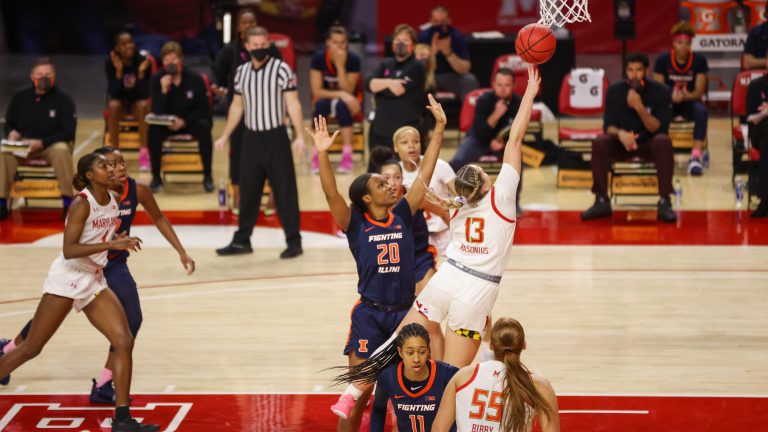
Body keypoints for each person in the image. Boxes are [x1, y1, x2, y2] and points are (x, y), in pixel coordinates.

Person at [329, 68, 535, 425]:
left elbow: (423, 194)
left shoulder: (455, 207)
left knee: (397, 339)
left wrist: (411, 174)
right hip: (477, 288)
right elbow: (515, 139)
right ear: (487, 183)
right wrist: (530, 91)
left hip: (448, 277)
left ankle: (351, 393)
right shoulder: (502, 198)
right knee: (449, 377)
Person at [0, 146, 196, 402]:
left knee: (128, 329)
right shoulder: (85, 201)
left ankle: (110, 394)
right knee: (37, 339)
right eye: (109, 164)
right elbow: (71, 248)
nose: (117, 168)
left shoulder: (123, 195)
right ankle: (9, 349)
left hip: (105, 269)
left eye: (120, 163)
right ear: (92, 174)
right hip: (74, 271)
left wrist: (179, 251)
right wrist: (112, 242)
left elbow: (151, 219)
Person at [309, 94, 446, 428]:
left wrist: (440, 128)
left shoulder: (403, 213)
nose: (390, 185)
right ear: (368, 198)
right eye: (381, 184)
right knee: (357, 396)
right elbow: (331, 193)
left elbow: (425, 173)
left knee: (407, 398)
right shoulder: (356, 223)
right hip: (369, 315)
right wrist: (323, 153)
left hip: (403, 313)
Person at [214, 26, 305, 259]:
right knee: (248, 190)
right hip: (251, 138)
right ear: (247, 46)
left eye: (263, 45)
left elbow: (293, 103)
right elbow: (237, 106)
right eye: (255, 45)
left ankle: (294, 241)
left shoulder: (281, 69)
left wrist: (299, 135)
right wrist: (225, 135)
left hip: (276, 137)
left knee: (284, 190)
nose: (260, 48)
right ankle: (242, 240)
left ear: (269, 45)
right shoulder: (241, 72)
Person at [581, 52, 676, 223]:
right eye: (630, 70)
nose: (634, 74)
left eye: (638, 70)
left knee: (663, 141)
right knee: (600, 142)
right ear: (625, 71)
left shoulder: (661, 91)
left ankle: (665, 201)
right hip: (622, 143)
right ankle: (601, 200)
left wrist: (639, 107)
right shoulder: (614, 91)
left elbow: (659, 128)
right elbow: (608, 126)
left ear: (646, 71)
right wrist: (620, 134)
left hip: (648, 144)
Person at [432, 317, 560, 432]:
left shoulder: (462, 377)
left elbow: (439, 429)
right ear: (523, 345)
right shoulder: (539, 386)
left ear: (491, 345)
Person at [332, 323, 459, 432]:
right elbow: (378, 409)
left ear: (428, 351)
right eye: (410, 353)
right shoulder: (388, 377)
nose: (416, 359)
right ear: (400, 352)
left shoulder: (448, 374)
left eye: (422, 352)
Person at [1, 57, 76, 220]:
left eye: (48, 74)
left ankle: (67, 202)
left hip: (50, 146)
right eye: (40, 74)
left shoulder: (64, 99)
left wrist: (41, 143)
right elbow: (8, 123)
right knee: (4, 153)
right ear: (32, 76)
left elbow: (68, 132)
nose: (43, 78)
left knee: (62, 149)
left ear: (54, 76)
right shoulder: (20, 97)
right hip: (23, 147)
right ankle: (1, 203)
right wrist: (12, 132)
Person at [368, 147, 437, 294]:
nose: (392, 183)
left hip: (420, 258)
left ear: (403, 178)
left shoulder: (414, 197)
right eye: (386, 178)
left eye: (397, 177)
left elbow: (445, 213)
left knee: (427, 299)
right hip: (391, 265)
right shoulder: (373, 205)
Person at [147, 41, 214, 193]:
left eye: (174, 59)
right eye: (166, 60)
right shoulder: (156, 79)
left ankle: (207, 176)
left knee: (204, 126)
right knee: (153, 130)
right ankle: (156, 177)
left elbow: (204, 109)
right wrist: (163, 91)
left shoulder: (195, 79)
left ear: (181, 60)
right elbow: (156, 111)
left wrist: (183, 122)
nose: (170, 63)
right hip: (167, 124)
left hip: (190, 122)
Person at [212, 8, 258, 213]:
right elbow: (218, 76)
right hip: (237, 108)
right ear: (238, 27)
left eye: (252, 23)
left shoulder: (266, 48)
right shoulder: (229, 50)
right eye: (245, 23)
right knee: (237, 151)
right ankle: (237, 195)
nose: (248, 26)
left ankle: (267, 195)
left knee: (263, 151)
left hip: (261, 109)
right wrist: (219, 87)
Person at [653, 21, 709, 176]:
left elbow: (699, 91)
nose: (683, 47)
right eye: (680, 43)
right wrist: (671, 96)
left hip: (689, 102)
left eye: (687, 43)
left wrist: (685, 96)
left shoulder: (699, 60)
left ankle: (695, 156)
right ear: (674, 43)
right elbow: (658, 89)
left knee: (701, 111)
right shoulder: (662, 60)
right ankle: (658, 154)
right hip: (668, 102)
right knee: (655, 112)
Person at [393, 125, 455, 259]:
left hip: (445, 230)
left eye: (416, 141)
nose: (411, 146)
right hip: (416, 235)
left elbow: (461, 195)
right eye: (404, 142)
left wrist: (454, 204)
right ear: (396, 147)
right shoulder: (394, 174)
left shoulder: (439, 165)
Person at [310, 23, 362, 174]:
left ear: (347, 44)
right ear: (328, 42)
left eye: (342, 42)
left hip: (348, 102)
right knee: (320, 106)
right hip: (327, 97)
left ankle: (347, 156)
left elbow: (348, 90)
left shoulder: (353, 59)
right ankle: (317, 154)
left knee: (342, 106)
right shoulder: (318, 59)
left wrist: (340, 67)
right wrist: (341, 94)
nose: (339, 46)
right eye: (335, 42)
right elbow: (317, 91)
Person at [366, 24, 426, 151]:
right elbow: (367, 84)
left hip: (406, 131)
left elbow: (396, 90)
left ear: (413, 45)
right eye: (397, 40)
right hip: (380, 130)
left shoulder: (417, 67)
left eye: (405, 40)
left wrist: (379, 85)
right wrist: (389, 82)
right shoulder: (385, 64)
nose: (400, 43)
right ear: (392, 44)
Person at [450, 68, 521, 170]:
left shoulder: (519, 103)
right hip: (479, 140)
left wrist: (505, 143)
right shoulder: (484, 100)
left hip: (505, 144)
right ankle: (448, 180)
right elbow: (479, 131)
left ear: (514, 86)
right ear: (493, 84)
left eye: (507, 85)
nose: (502, 89)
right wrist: (496, 114)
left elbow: (520, 132)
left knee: (516, 162)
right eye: (499, 85)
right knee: (458, 160)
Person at [105, 31, 152, 172]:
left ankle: (144, 153)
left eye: (130, 42)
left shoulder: (142, 61)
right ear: (117, 47)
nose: (128, 46)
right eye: (124, 44)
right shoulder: (111, 63)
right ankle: (115, 153)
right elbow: (114, 93)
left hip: (137, 102)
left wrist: (141, 74)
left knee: (143, 105)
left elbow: (144, 94)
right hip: (121, 103)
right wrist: (119, 72)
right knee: (113, 105)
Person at [417, 6, 478, 102]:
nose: (439, 25)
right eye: (436, 21)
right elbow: (417, 67)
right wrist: (432, 52)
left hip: (451, 76)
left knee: (470, 80)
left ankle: (468, 111)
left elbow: (465, 69)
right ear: (430, 21)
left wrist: (448, 52)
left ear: (449, 21)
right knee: (414, 79)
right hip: (429, 76)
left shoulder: (456, 36)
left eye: (443, 22)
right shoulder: (424, 36)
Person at [745, 74, 768, 218]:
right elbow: (750, 118)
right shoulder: (755, 85)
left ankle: (764, 200)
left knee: (766, 145)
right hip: (758, 131)